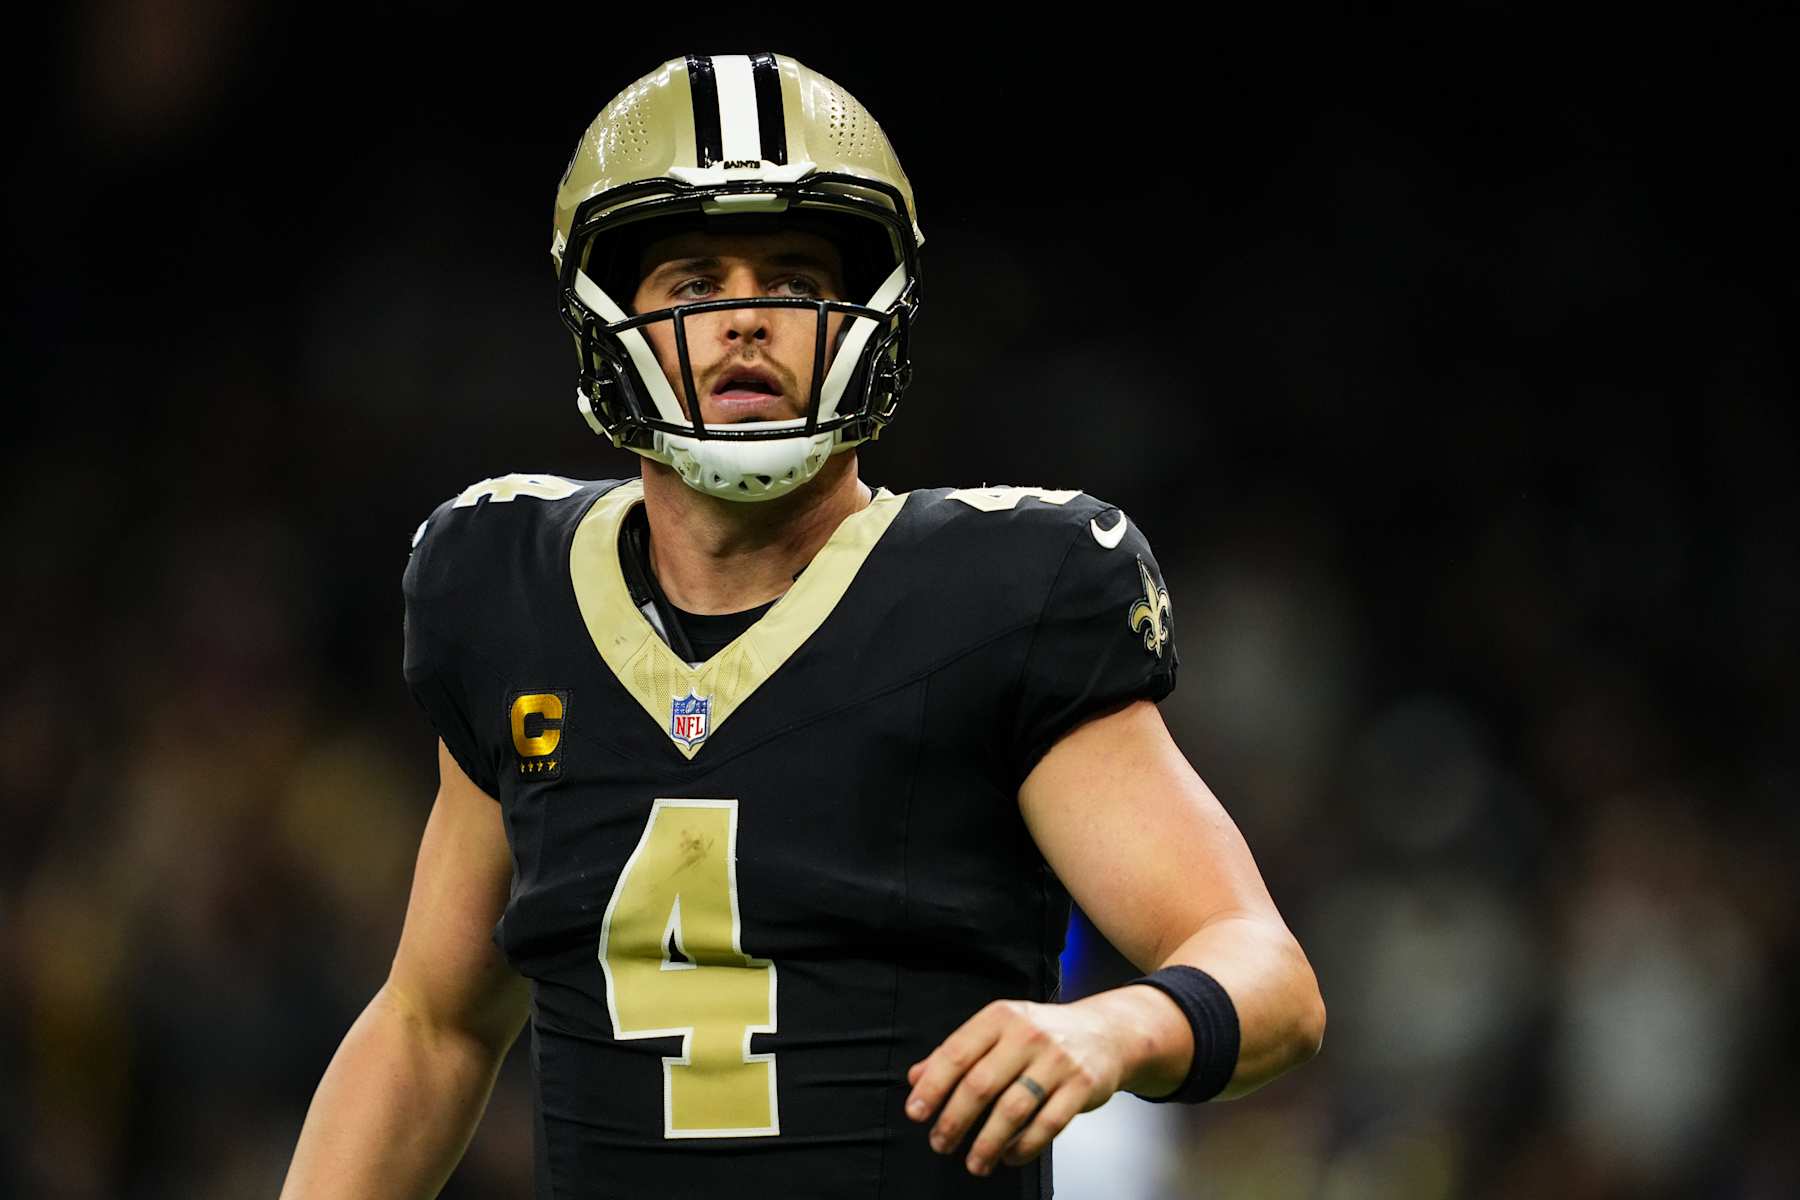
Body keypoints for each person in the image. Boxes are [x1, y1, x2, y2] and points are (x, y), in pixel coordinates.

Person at [281, 53, 1324, 1199]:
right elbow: (435, 1028)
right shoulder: (506, 592)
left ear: (865, 317)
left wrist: (1118, 1028)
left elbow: (1267, 975)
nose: (744, 322)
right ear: (604, 321)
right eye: (692, 284)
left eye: (789, 280)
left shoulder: (999, 593)